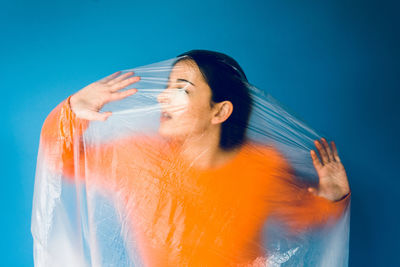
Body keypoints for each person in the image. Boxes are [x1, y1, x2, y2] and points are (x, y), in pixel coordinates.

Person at [39, 50, 351, 266]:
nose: (163, 97)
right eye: (167, 86)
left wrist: (333, 196)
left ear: (220, 111)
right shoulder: (139, 158)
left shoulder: (262, 167)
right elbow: (65, 160)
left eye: (182, 89)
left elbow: (304, 215)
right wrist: (71, 110)